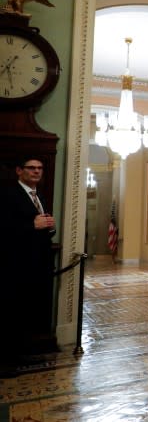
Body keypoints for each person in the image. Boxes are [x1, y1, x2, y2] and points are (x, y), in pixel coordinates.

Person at [0, 156, 57, 368]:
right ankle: (5, 362)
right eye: (31, 168)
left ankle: (19, 353)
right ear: (19, 171)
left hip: (35, 264)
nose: (36, 172)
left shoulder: (38, 195)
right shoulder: (8, 194)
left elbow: (40, 225)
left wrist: (49, 227)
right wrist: (32, 225)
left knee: (25, 311)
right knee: (9, 313)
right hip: (14, 264)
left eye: (40, 168)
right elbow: (4, 227)